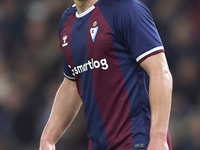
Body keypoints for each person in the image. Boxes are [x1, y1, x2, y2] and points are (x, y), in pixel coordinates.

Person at [39, 0, 173, 149]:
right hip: (99, 144)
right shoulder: (67, 21)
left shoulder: (126, 9)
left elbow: (160, 71)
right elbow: (72, 83)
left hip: (137, 138)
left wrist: (159, 138)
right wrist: (48, 138)